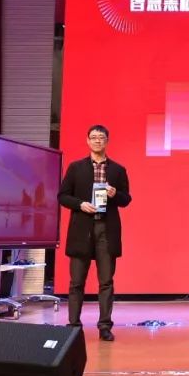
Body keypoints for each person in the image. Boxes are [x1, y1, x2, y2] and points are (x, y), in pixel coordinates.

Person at [58, 124, 131, 341]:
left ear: (107, 141)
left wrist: (115, 194)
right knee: (76, 282)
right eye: (94, 137)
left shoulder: (117, 170)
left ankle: (105, 326)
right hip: (82, 230)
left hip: (106, 229)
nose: (97, 141)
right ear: (88, 141)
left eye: (101, 137)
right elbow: (62, 196)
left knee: (106, 281)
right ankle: (73, 325)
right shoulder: (76, 168)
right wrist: (80, 204)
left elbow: (126, 199)